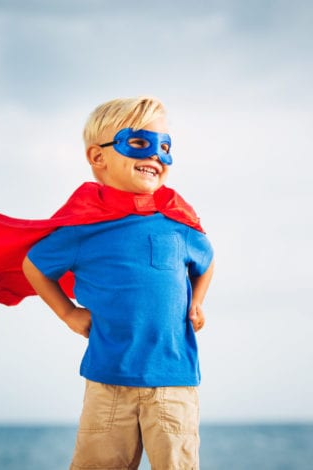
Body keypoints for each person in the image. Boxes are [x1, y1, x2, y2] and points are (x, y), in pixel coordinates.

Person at [22, 96, 215, 469]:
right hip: (108, 381)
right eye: (140, 143)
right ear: (98, 157)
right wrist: (67, 313)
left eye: (165, 147)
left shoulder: (179, 224)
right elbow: (34, 265)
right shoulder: (83, 230)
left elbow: (206, 262)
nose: (156, 155)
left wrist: (197, 302)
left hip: (173, 380)